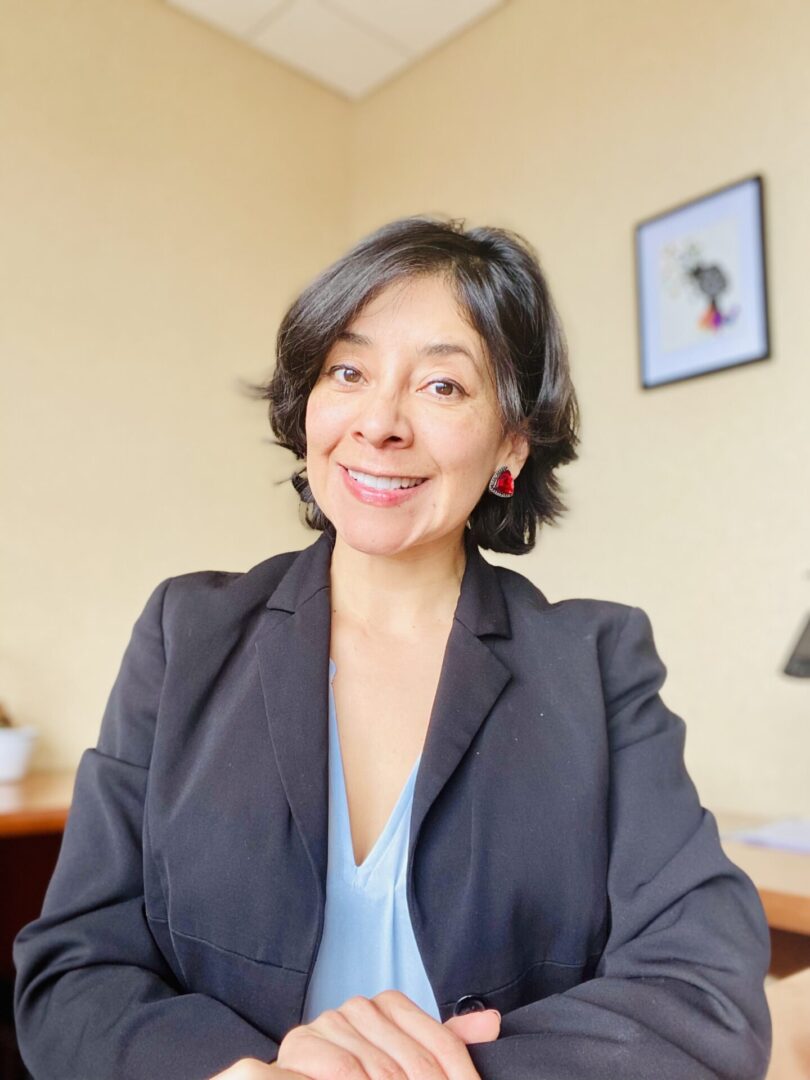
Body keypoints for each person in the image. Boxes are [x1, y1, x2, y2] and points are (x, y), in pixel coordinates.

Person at [13, 217, 772, 1080]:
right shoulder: (185, 632)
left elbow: (705, 998)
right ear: (307, 406)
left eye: (443, 387)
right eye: (348, 371)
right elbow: (72, 973)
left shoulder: (596, 660)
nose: (380, 422)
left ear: (510, 443)